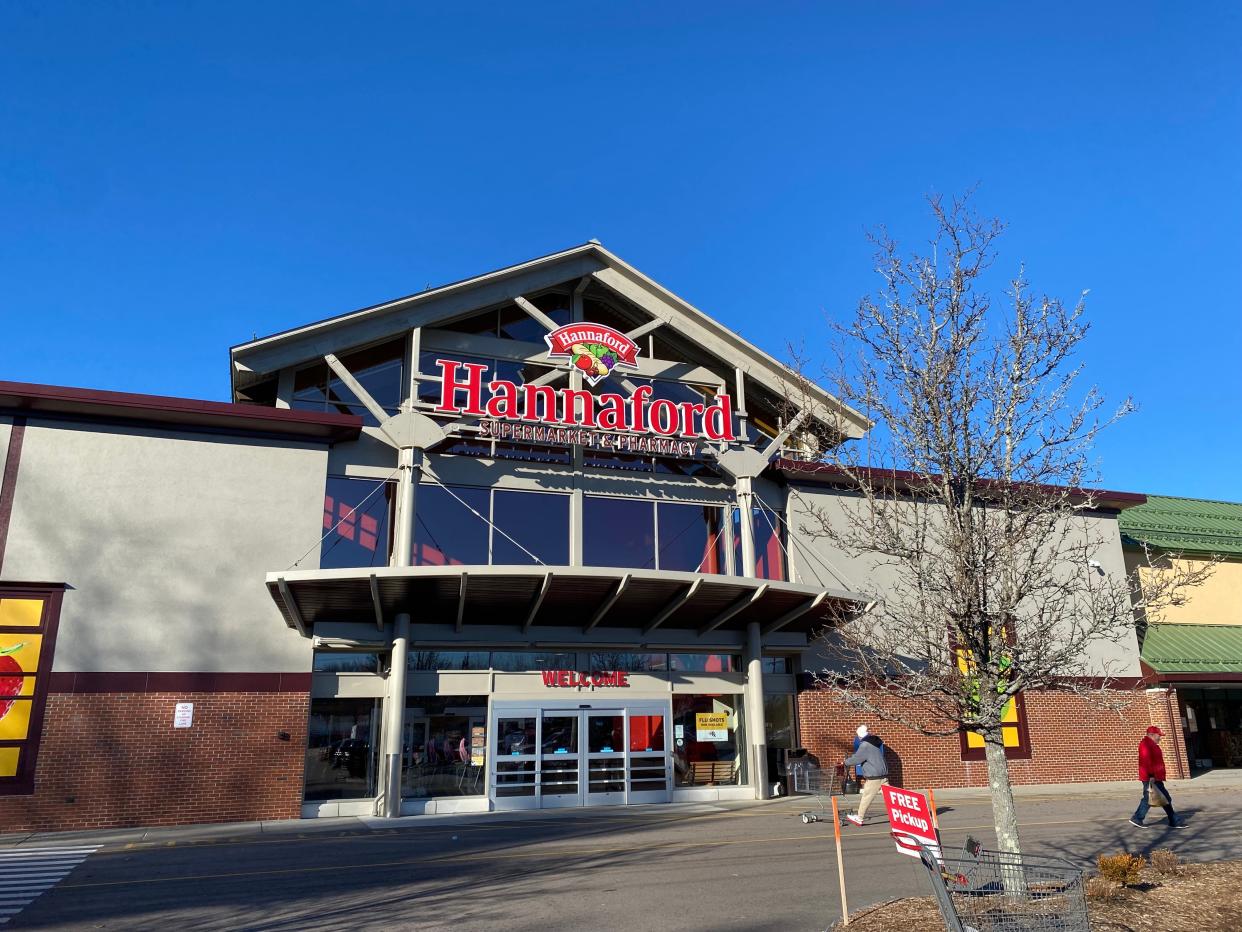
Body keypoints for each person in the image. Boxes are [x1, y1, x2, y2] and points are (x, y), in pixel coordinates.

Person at [1130, 725, 1185, 829]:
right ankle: (1174, 821)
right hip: (1151, 777)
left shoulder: (1151, 744)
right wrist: (1151, 775)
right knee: (1156, 798)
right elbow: (1146, 761)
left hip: (1155, 777)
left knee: (1157, 798)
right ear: (1151, 735)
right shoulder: (1146, 745)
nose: (1160, 738)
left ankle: (1138, 818)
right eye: (1158, 735)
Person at [842, 725, 889, 827]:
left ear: (860, 736)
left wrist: (845, 762)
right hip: (883, 775)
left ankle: (859, 818)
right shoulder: (875, 743)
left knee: (866, 797)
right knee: (890, 797)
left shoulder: (865, 745)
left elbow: (857, 759)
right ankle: (901, 814)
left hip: (874, 777)